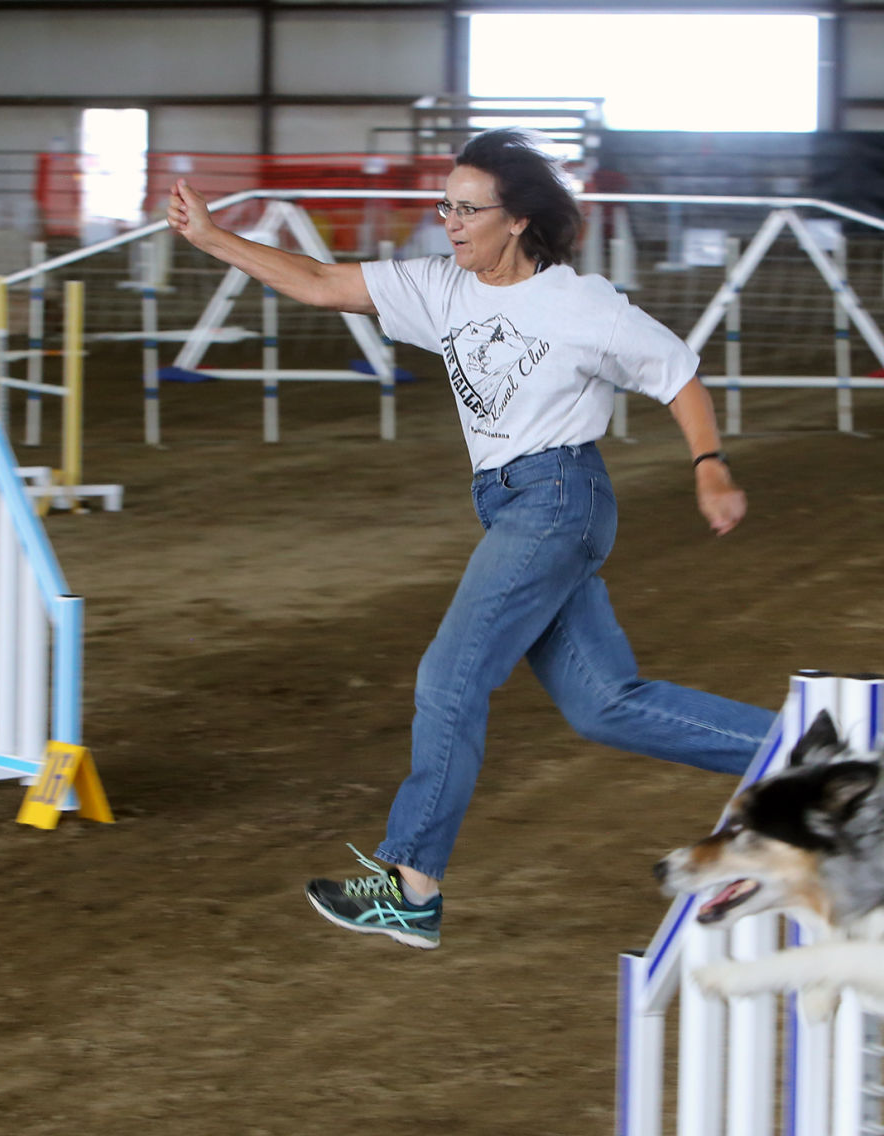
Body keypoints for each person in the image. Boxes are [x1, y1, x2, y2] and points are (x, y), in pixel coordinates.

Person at [167, 128, 775, 950]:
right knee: (602, 705)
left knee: (450, 675)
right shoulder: (439, 288)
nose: (448, 222)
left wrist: (709, 466)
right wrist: (213, 239)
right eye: (444, 206)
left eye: (467, 209)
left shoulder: (580, 304)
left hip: (556, 497)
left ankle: (410, 883)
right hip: (512, 505)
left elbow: (676, 373)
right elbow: (317, 281)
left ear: (517, 219)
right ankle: (793, 751)